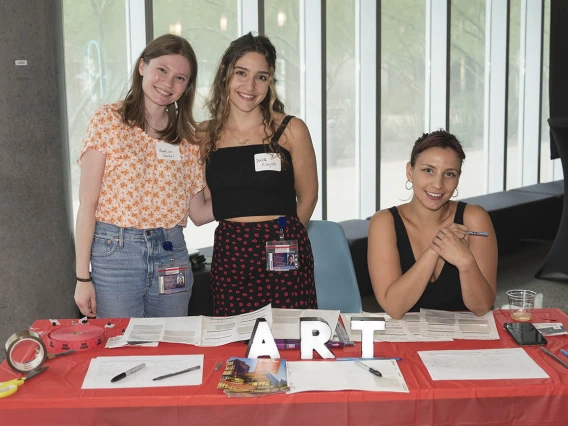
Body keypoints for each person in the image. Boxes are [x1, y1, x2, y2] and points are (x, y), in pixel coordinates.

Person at [74, 34, 213, 319]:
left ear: (187, 87)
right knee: (121, 348)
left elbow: (198, 213)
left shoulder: (186, 138)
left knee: (172, 346)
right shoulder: (108, 121)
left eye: (180, 78)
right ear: (142, 67)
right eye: (162, 70)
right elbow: (87, 205)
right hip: (116, 255)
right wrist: (82, 278)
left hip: (171, 251)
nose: (168, 83)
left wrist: (250, 198)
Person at [201, 32, 319, 316]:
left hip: (283, 248)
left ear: (271, 81)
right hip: (231, 252)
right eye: (241, 73)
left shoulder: (291, 129)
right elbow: (207, 198)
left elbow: (308, 196)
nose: (250, 86)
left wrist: (282, 236)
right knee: (235, 344)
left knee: (291, 338)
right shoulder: (204, 135)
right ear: (225, 73)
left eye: (261, 77)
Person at [368, 130, 498, 319]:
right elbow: (394, 308)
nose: (438, 184)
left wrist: (465, 261)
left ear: (458, 179)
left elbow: (482, 307)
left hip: (465, 339)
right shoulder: (384, 222)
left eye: (449, 174)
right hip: (406, 342)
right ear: (410, 172)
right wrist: (435, 249)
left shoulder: (474, 218)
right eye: (428, 170)